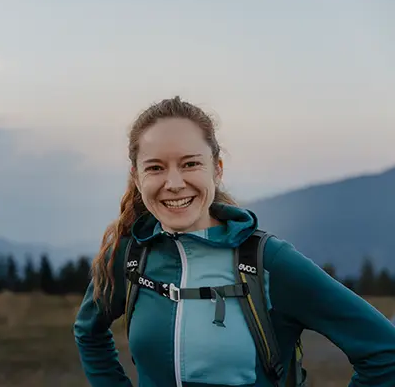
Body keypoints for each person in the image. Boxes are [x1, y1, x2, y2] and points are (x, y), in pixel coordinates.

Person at [73, 96, 395, 387]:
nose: (173, 183)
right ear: (137, 176)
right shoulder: (131, 254)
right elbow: (89, 332)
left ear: (217, 169)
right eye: (155, 168)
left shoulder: (268, 262)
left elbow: (385, 352)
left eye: (190, 164)